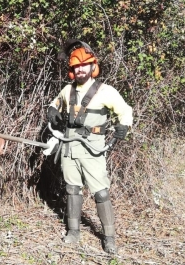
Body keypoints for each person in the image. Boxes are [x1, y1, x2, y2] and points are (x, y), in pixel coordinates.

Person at [47, 39, 133, 254]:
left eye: (84, 65)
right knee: (72, 189)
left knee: (101, 193)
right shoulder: (67, 90)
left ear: (93, 66)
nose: (80, 69)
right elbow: (54, 104)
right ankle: (73, 231)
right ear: (72, 70)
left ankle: (109, 237)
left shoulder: (107, 91)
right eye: (76, 66)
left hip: (93, 148)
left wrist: (123, 127)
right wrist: (52, 111)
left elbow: (125, 111)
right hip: (69, 145)